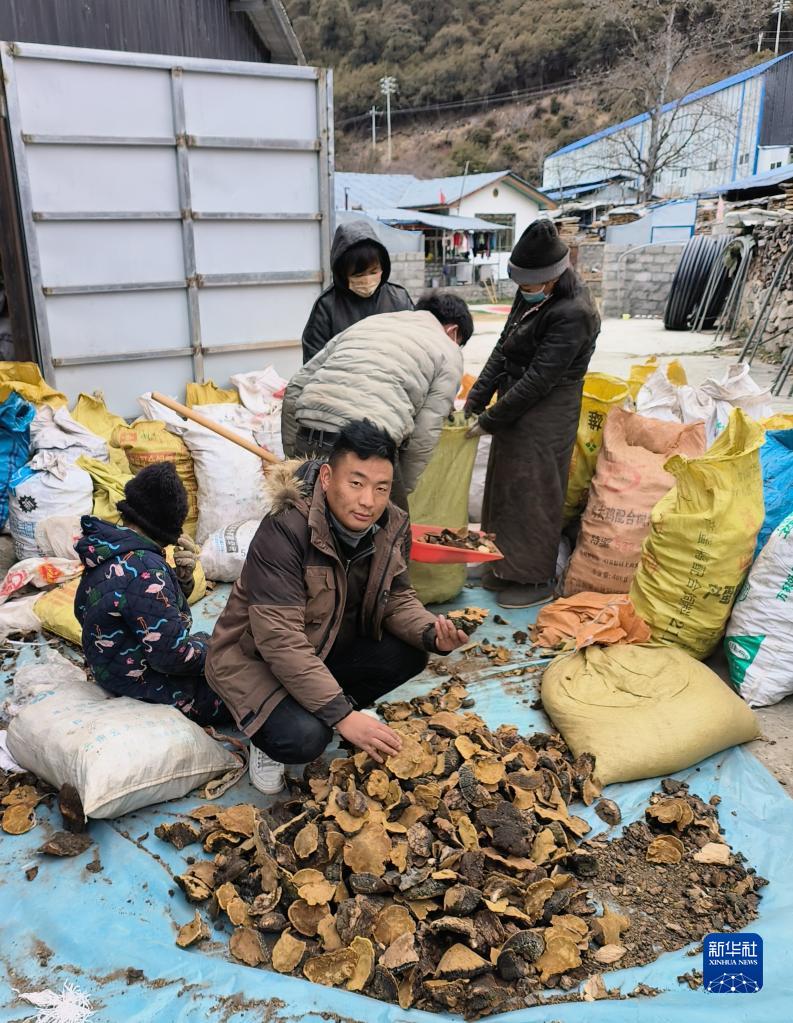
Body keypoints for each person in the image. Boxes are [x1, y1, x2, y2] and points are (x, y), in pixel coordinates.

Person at [206, 420, 469, 795]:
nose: (368, 501)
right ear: (328, 478)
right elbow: (279, 640)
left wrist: (430, 632)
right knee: (305, 739)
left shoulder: (391, 524)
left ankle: (324, 704)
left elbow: (396, 596)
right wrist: (342, 716)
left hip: (322, 645)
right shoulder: (285, 529)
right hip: (254, 659)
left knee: (410, 652)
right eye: (356, 483)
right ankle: (269, 739)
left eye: (381, 488)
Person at [464, 219, 600, 609]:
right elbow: (503, 349)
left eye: (532, 285)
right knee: (504, 486)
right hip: (516, 399)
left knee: (534, 491)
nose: (525, 291)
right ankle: (501, 564)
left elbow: (540, 379)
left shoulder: (574, 312)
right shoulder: (531, 294)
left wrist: (490, 420)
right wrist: (475, 400)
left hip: (549, 409)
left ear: (555, 276)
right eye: (521, 285)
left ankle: (534, 578)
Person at [283, 292, 474, 509]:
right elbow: (425, 434)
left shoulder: (370, 323)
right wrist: (398, 493)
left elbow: (296, 386)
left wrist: (294, 457)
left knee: (303, 519)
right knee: (390, 526)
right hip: (368, 446)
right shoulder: (448, 350)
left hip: (310, 432)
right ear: (453, 331)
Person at [74, 462, 229, 725]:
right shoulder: (145, 567)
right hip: (140, 682)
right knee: (247, 686)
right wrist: (227, 659)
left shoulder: (108, 549)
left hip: (110, 666)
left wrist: (180, 581)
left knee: (211, 642)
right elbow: (171, 656)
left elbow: (137, 605)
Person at [301, 221, 414, 362]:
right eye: (358, 275)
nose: (367, 279)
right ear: (343, 273)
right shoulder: (327, 307)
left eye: (373, 272)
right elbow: (313, 361)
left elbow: (416, 345)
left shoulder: (399, 299)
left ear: (383, 267)